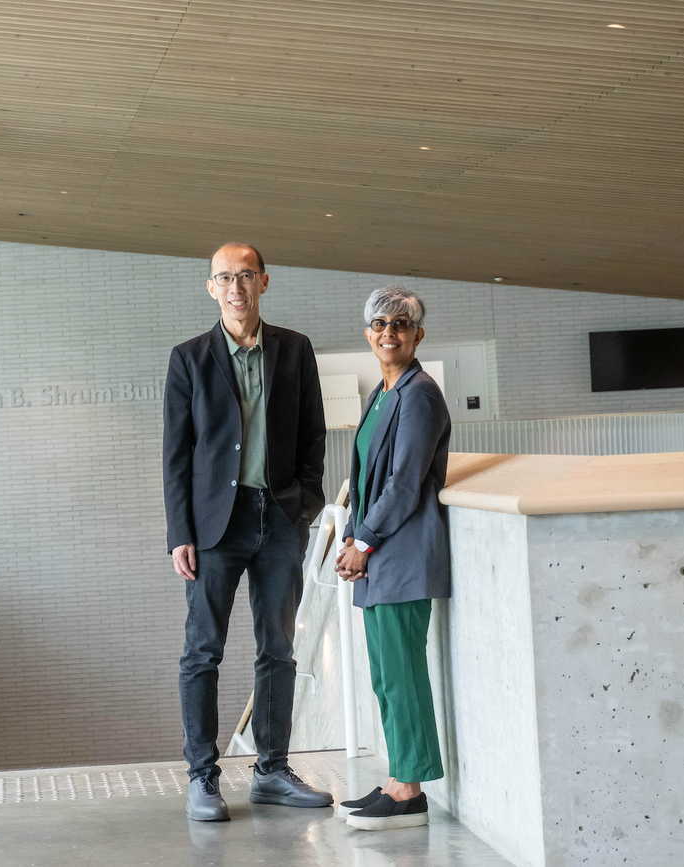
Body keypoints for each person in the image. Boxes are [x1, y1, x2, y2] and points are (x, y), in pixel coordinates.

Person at [163, 242, 332, 822]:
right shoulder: (188, 359)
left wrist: (305, 504)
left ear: (264, 282)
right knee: (202, 652)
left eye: (245, 276)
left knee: (279, 650)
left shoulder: (295, 349)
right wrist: (179, 531)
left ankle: (271, 771)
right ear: (211, 287)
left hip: (280, 520)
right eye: (223, 278)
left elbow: (314, 434)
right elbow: (176, 454)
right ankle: (203, 778)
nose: (235, 287)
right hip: (214, 527)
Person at [334, 285, 451, 831]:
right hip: (380, 555)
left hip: (402, 555)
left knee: (402, 675)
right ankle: (397, 776)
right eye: (380, 324)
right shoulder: (385, 394)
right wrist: (352, 536)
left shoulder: (420, 394)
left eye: (400, 326)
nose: (389, 333)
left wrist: (365, 540)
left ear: (417, 335)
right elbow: (366, 480)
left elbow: (404, 484)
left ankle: (411, 789)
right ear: (367, 333)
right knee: (386, 676)